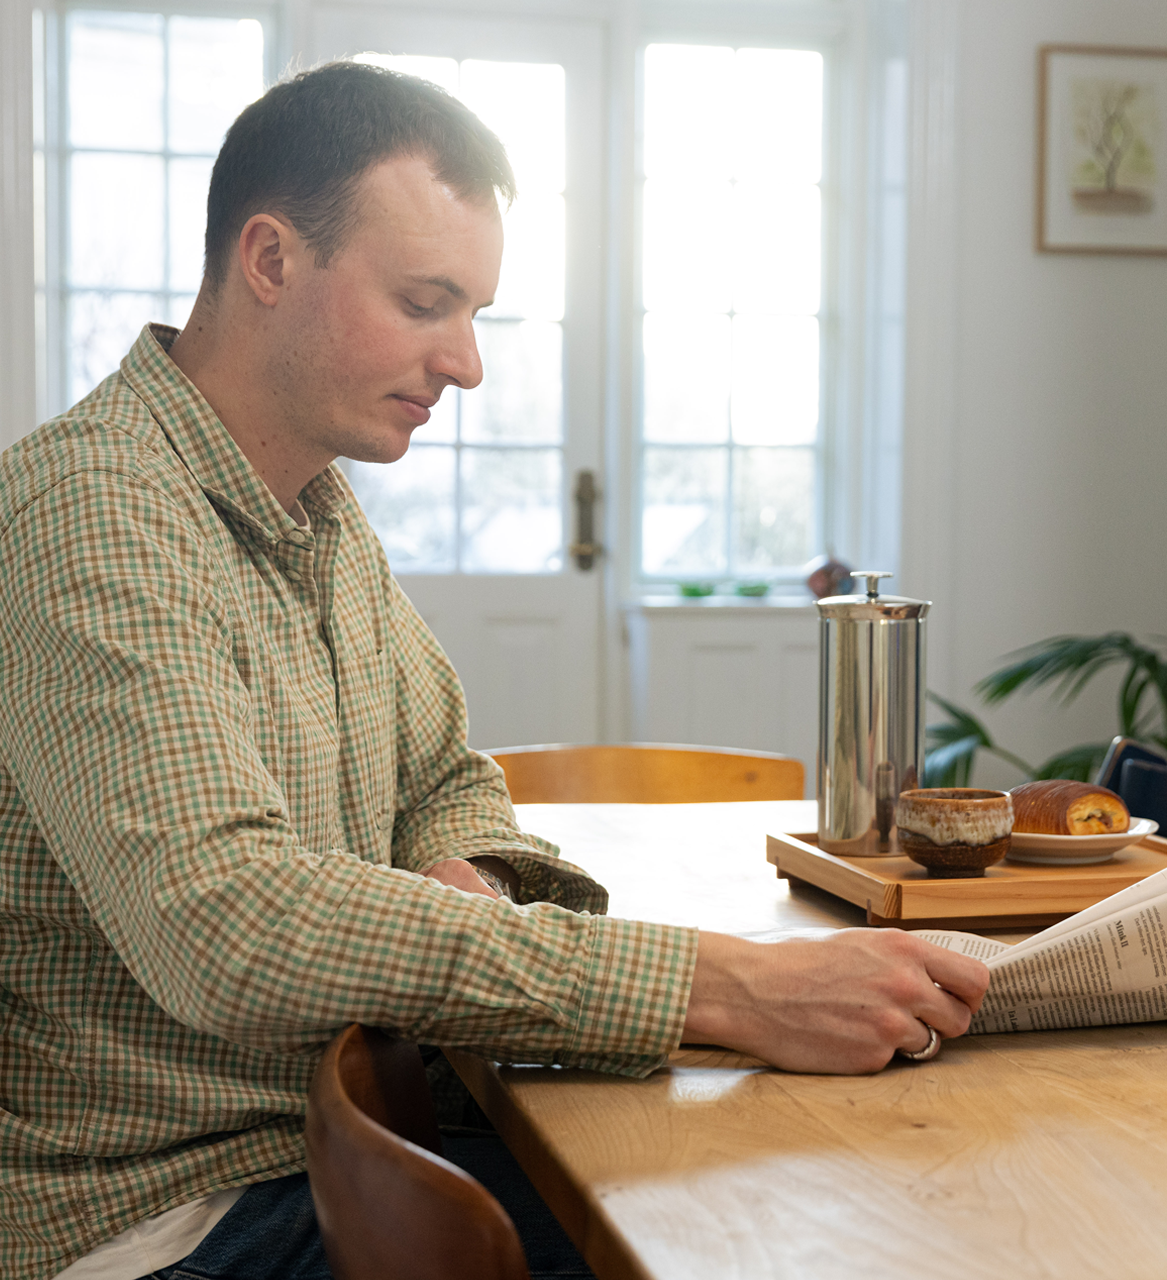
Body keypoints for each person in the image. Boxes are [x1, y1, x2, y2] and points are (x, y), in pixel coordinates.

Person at [0, 61, 989, 1280]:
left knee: (796, 1188)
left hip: (345, 1126)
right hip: (175, 1208)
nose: (465, 363)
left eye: (472, 311)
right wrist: (722, 985)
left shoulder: (313, 506)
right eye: (425, 302)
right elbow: (230, 919)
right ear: (268, 260)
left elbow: (445, 775)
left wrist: (457, 875)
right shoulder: (92, 515)